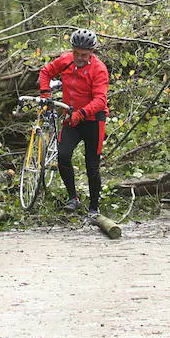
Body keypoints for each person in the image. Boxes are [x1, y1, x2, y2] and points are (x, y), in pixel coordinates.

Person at [39, 28, 109, 216]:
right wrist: (45, 93)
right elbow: (45, 72)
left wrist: (81, 113)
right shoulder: (65, 60)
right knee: (62, 155)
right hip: (71, 118)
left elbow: (100, 100)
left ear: (91, 53)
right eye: (76, 53)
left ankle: (94, 207)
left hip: (94, 120)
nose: (79, 57)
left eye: (83, 54)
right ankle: (73, 198)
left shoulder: (99, 69)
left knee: (91, 164)